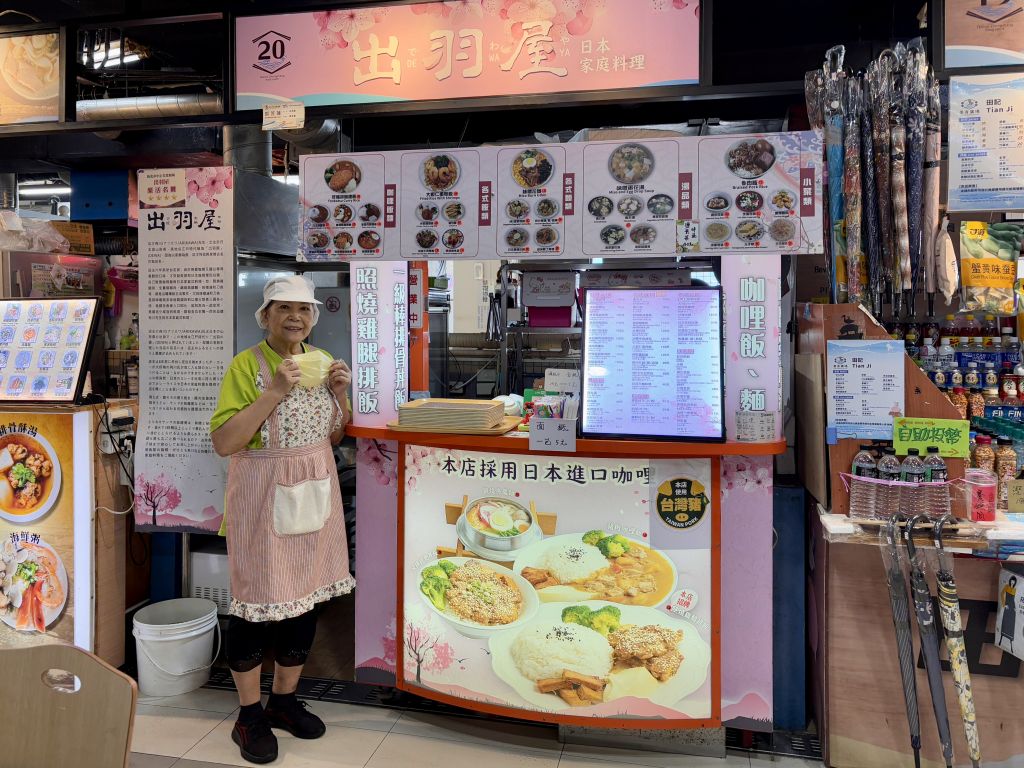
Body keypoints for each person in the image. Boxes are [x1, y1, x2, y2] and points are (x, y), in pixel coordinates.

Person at [211, 275, 354, 765]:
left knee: (304, 601)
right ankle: (249, 715)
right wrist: (273, 390)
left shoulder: (321, 361)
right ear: (265, 315)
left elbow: (332, 437)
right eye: (284, 308)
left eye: (304, 309)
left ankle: (284, 701)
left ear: (313, 317)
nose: (295, 317)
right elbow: (225, 442)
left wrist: (340, 396)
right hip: (262, 499)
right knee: (255, 606)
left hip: (315, 495)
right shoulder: (246, 366)